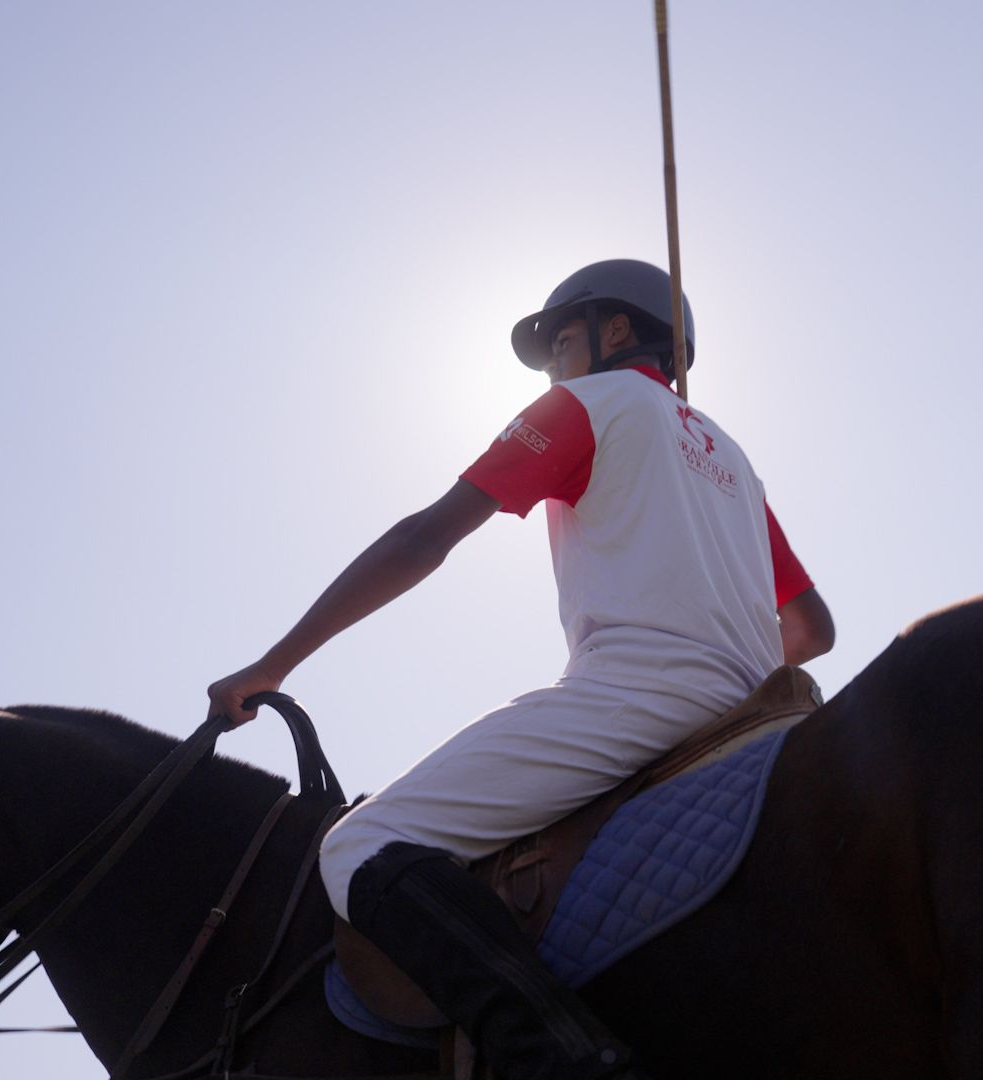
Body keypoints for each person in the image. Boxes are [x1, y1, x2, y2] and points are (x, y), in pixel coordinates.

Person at [208, 258, 834, 1080]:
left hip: (640, 695)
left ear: (615, 332)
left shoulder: (585, 404)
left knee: (362, 843)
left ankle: (567, 1060)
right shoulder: (735, 459)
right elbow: (813, 628)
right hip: (761, 709)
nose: (553, 367)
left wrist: (273, 665)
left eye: (560, 342)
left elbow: (423, 539)